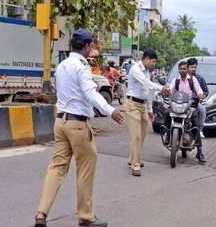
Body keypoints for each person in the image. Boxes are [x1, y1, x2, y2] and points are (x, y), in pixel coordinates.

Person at [34, 28, 124, 227]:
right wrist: (111, 111)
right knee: (85, 167)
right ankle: (86, 216)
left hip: (60, 122)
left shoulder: (63, 65)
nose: (92, 48)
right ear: (86, 46)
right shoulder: (82, 67)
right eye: (91, 44)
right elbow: (91, 94)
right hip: (77, 125)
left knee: (57, 168)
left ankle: (41, 212)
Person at [125, 49, 170, 177]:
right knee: (136, 136)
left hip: (143, 105)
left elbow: (149, 91)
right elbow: (146, 83)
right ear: (147, 59)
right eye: (153, 61)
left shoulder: (148, 72)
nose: (154, 64)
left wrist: (150, 110)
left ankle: (132, 158)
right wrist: (162, 88)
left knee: (142, 135)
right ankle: (135, 165)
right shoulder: (135, 69)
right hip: (132, 105)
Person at [164, 61, 207, 163]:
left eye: (184, 69)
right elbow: (170, 89)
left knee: (196, 126)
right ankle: (168, 135)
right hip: (177, 105)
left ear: (187, 69)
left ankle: (200, 152)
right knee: (166, 113)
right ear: (178, 70)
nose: (182, 71)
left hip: (189, 106)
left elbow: (199, 89)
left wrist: (200, 94)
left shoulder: (193, 80)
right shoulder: (176, 80)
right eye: (181, 69)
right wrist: (167, 91)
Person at [187, 58, 209, 138]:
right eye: (191, 67)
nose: (193, 69)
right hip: (182, 103)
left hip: (194, 103)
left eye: (195, 67)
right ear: (187, 67)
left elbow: (205, 91)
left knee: (202, 110)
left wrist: (201, 96)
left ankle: (199, 130)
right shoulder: (181, 78)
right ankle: (169, 132)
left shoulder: (200, 79)